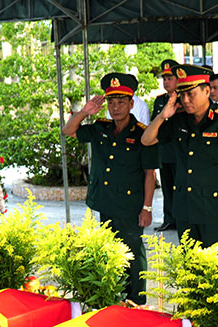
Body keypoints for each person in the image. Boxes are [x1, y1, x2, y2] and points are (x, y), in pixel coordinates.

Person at [62, 73, 158, 304]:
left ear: (131, 104)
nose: (115, 107)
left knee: (133, 249)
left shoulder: (142, 133)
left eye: (121, 102)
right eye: (111, 102)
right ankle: (116, 293)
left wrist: (147, 207)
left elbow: (150, 174)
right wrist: (84, 112)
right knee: (111, 248)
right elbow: (69, 131)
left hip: (130, 204)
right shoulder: (100, 127)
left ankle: (137, 298)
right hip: (105, 201)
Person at [142, 64, 218, 252]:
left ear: (207, 91)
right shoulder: (178, 119)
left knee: (214, 265)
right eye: (182, 95)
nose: (186, 100)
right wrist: (163, 116)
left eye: (191, 94)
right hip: (185, 207)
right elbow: (146, 140)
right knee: (189, 263)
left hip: (213, 208)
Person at [151, 59, 180, 232]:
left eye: (170, 78)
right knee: (167, 188)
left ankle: (181, 218)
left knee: (180, 186)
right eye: (164, 79)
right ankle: (169, 219)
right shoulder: (160, 100)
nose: (166, 82)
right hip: (165, 151)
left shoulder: (184, 99)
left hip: (180, 151)